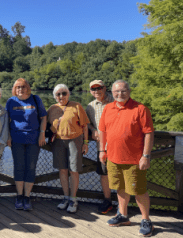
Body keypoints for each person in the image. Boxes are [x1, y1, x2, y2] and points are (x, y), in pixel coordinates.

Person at [99, 80, 155, 237]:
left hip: (134, 160)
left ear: (129, 91)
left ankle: (146, 220)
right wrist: (102, 150)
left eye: (123, 91)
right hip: (113, 158)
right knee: (120, 187)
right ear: (112, 92)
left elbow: (149, 133)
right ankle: (123, 216)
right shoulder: (108, 108)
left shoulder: (140, 109)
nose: (119, 94)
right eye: (116, 91)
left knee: (139, 191)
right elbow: (102, 131)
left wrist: (146, 155)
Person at [47, 84, 89, 213]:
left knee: (74, 170)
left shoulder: (76, 106)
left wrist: (86, 142)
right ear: (55, 96)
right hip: (58, 141)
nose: (61, 96)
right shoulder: (52, 109)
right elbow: (46, 125)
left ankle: (73, 199)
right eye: (58, 94)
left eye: (64, 93)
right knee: (63, 170)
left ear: (68, 94)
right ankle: (65, 197)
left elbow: (85, 126)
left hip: (74, 141)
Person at [6, 78, 47, 211]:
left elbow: (43, 117)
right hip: (16, 139)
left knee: (31, 167)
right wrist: (8, 136)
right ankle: (19, 195)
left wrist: (42, 133)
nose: (20, 89)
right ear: (14, 88)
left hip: (33, 139)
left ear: (27, 87)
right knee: (18, 167)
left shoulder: (36, 99)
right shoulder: (11, 101)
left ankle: (27, 196)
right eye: (18, 87)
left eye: (23, 86)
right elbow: (6, 120)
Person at [85, 80, 114, 214]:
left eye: (99, 88)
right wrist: (92, 130)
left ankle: (123, 202)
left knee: (122, 173)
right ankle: (107, 200)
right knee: (104, 174)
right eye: (93, 89)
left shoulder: (116, 100)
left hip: (118, 145)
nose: (97, 91)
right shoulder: (90, 106)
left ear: (104, 88)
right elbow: (88, 123)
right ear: (90, 91)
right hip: (101, 146)